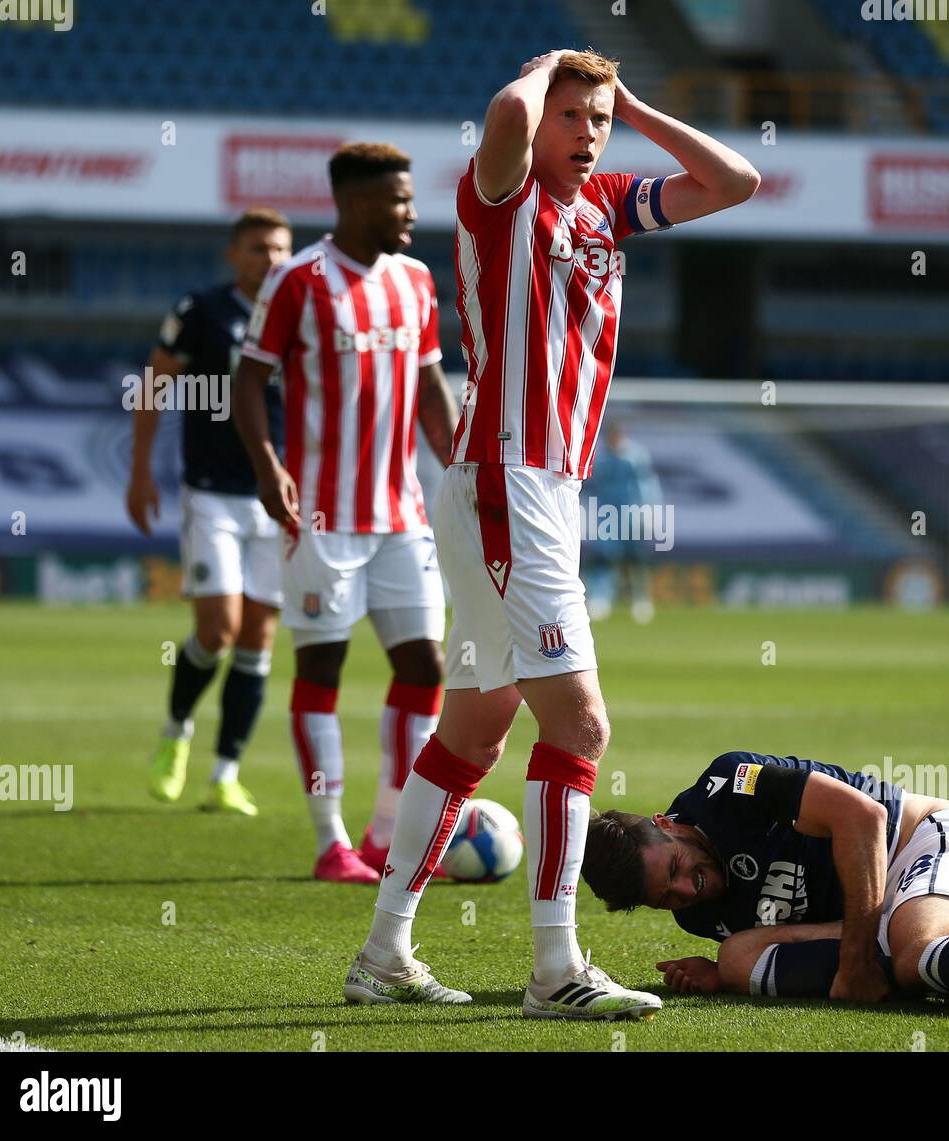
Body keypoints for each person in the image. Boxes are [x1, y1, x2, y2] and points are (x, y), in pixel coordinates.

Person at [343, 48, 759, 1016]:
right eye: (571, 119)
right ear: (537, 126)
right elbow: (500, 113)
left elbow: (734, 182)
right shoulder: (500, 197)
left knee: (474, 728)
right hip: (506, 480)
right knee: (578, 725)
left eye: (597, 123)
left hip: (536, 490)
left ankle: (383, 954)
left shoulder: (606, 203)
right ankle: (554, 968)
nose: (588, 137)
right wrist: (542, 76)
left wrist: (632, 104)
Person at [234, 143, 459, 884]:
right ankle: (331, 840)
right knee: (322, 668)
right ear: (358, 203)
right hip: (321, 518)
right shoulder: (298, 281)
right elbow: (248, 383)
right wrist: (267, 467)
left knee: (424, 665)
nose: (413, 214)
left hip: (401, 513)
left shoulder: (417, 281)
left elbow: (430, 389)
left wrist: (462, 470)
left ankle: (389, 829)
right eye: (400, 201)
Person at [582, 751, 949, 1028]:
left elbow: (862, 817)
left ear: (666, 822)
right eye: (667, 897)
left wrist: (856, 959)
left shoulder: (733, 783)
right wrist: (721, 974)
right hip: (894, 913)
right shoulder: (697, 916)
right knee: (736, 955)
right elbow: (775, 945)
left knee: (913, 941)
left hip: (935, 846)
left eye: (675, 866)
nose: (686, 890)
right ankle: (942, 965)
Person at [129, 208, 292, 815]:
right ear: (233, 254)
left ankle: (225, 775)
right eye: (256, 248)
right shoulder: (201, 310)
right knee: (216, 630)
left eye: (278, 248)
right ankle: (176, 734)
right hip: (212, 494)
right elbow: (154, 385)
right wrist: (140, 471)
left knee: (258, 639)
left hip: (280, 499)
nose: (269, 259)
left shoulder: (301, 312)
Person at [583, 420, 662, 624]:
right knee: (604, 556)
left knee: (636, 557)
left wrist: (650, 510)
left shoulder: (635, 456)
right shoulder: (598, 456)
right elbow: (587, 485)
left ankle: (641, 599)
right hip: (605, 514)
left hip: (632, 512)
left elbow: (647, 484)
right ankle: (600, 598)